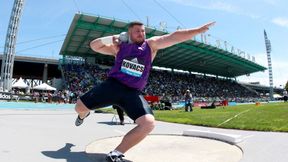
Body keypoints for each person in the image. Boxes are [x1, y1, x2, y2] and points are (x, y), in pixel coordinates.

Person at [74, 20, 215, 162]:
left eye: (143, 31)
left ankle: (116, 153)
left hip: (132, 92)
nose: (141, 34)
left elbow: (174, 37)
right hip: (113, 86)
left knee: (148, 123)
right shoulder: (119, 47)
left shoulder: (151, 44)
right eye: (137, 31)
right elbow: (94, 45)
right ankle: (83, 115)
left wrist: (196, 31)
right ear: (129, 33)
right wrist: (112, 38)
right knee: (78, 107)